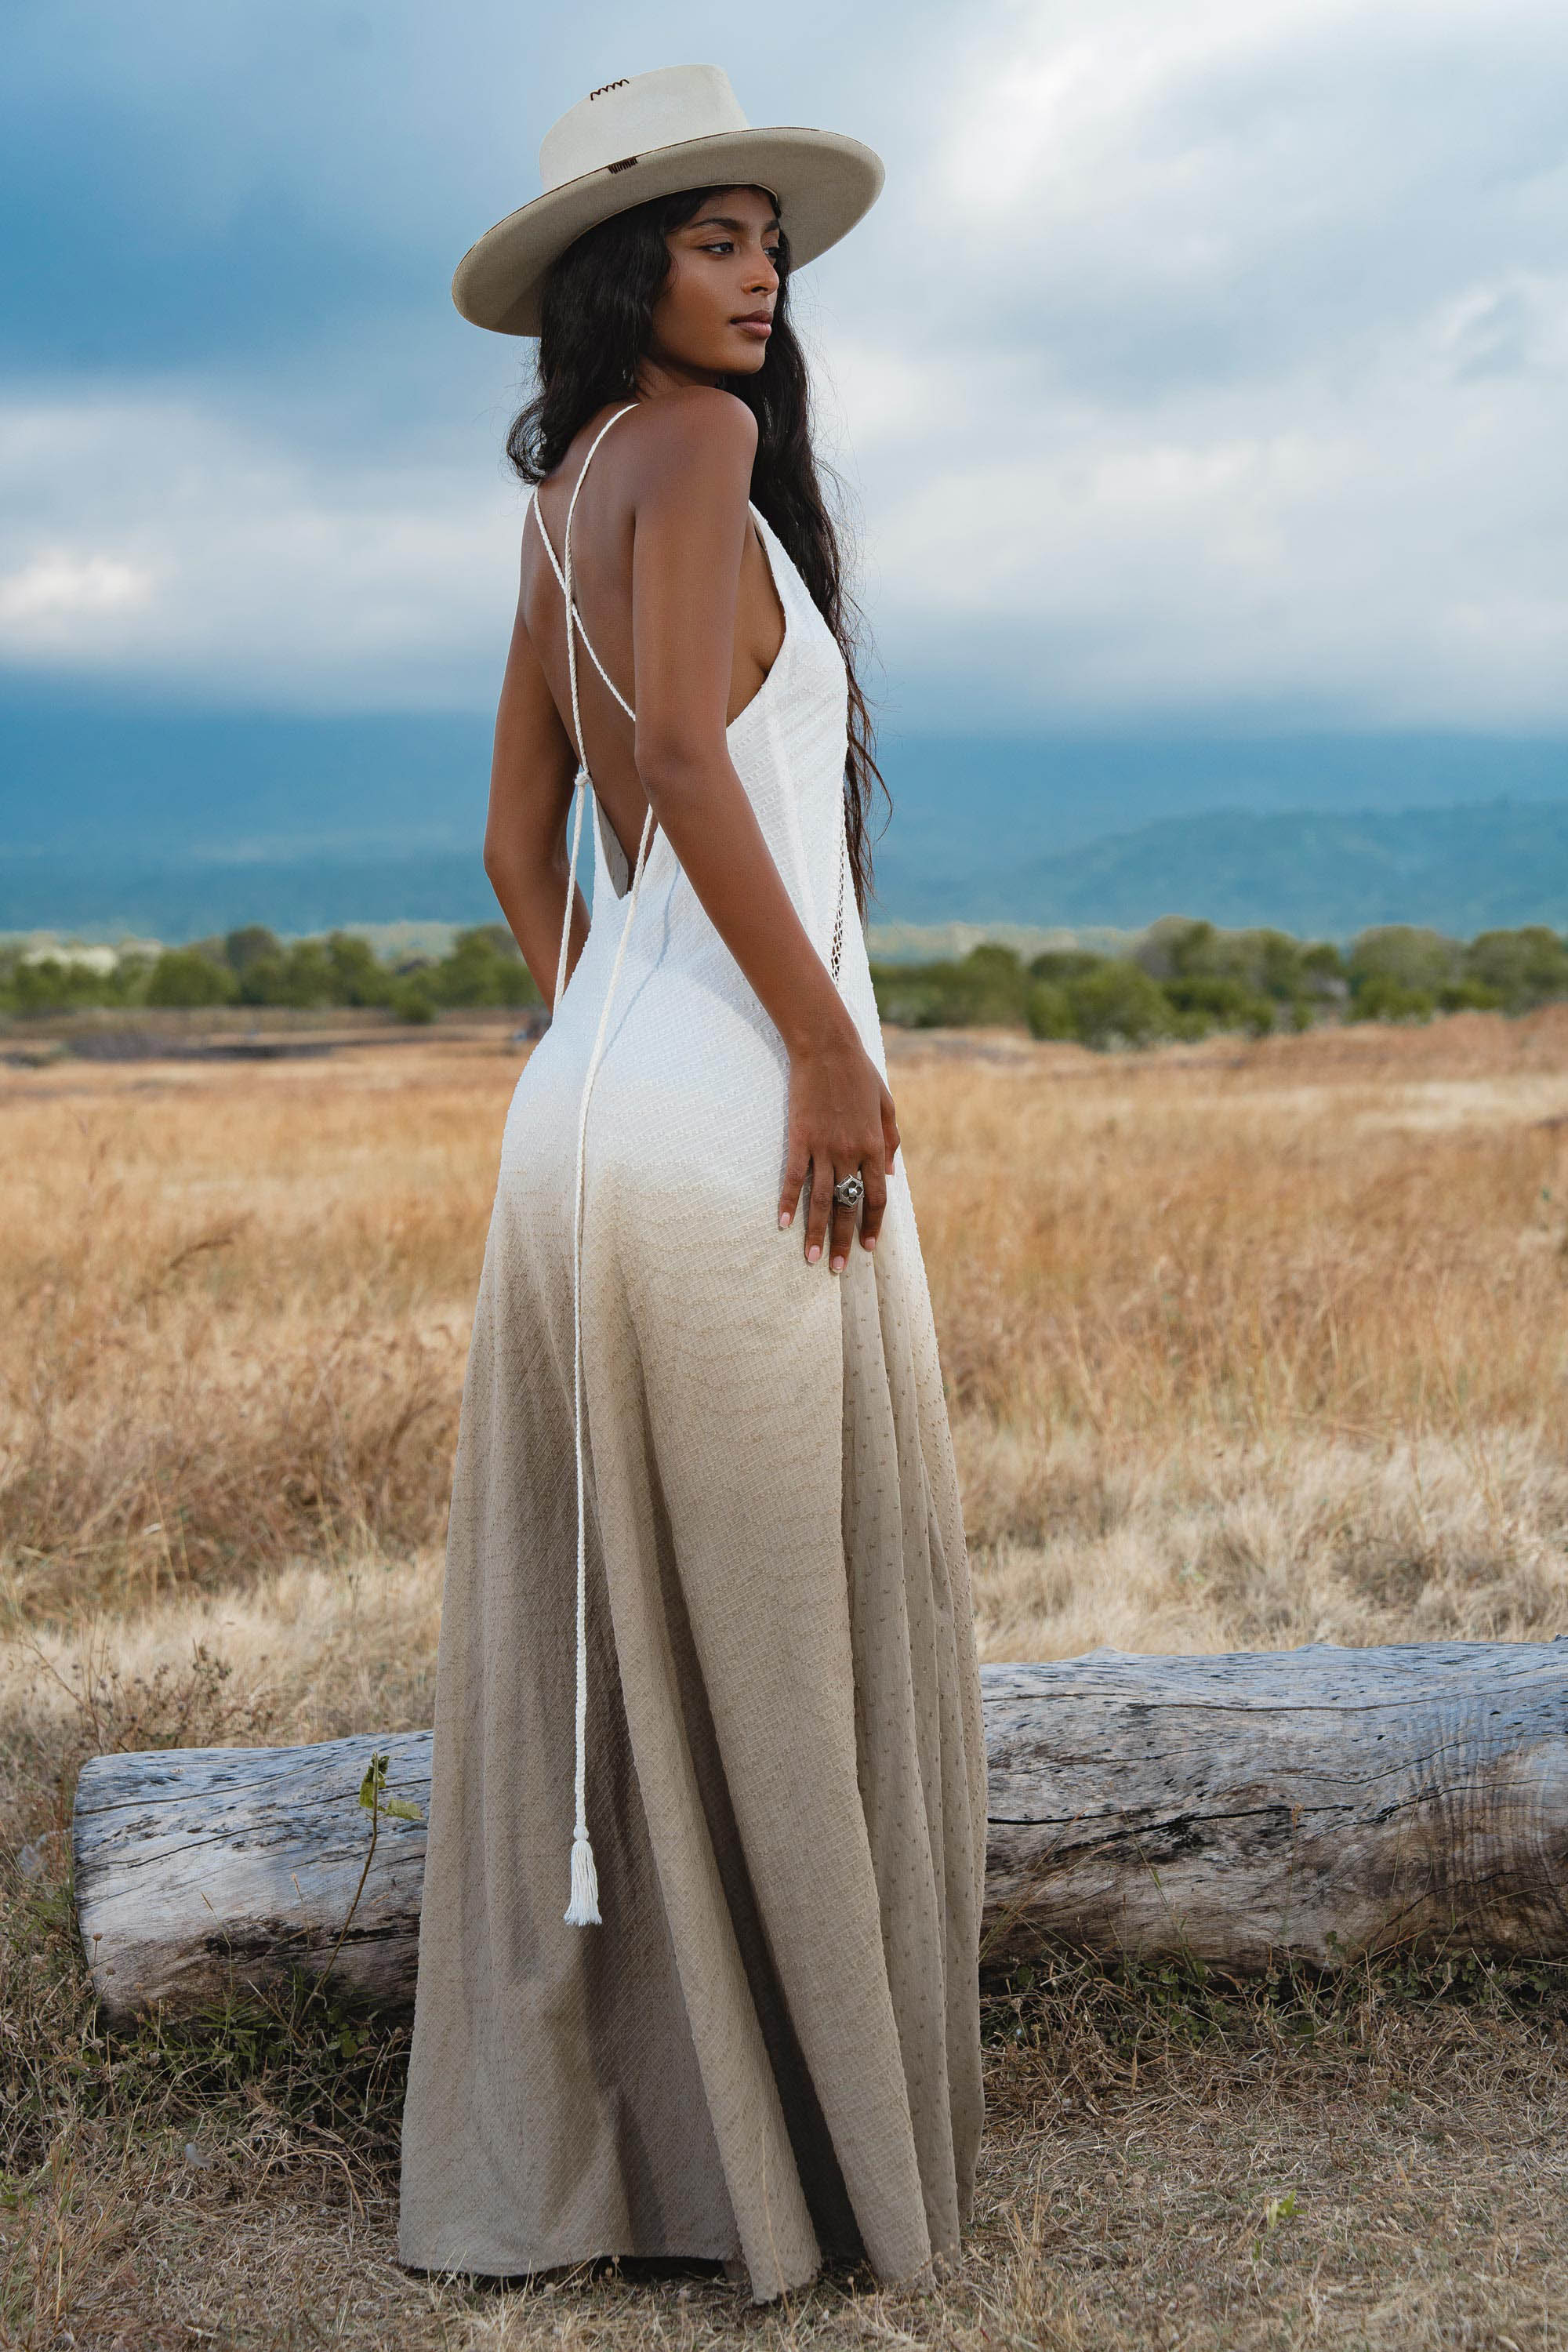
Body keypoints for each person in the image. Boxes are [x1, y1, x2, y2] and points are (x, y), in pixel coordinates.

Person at [397, 64, 987, 2307]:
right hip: (732, 1123)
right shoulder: (709, 452)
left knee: (631, 1655)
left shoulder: (563, 499)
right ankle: (813, 2183)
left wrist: (607, 1029)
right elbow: (661, 755)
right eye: (719, 240)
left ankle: (630, 2169)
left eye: (772, 245)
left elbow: (512, 847)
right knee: (777, 1631)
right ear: (623, 273)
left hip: (586, 1127)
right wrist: (821, 1051)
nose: (760, 279)